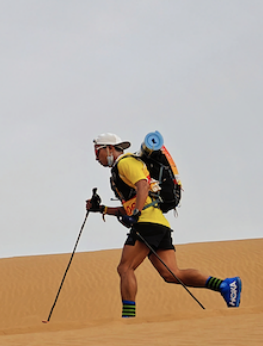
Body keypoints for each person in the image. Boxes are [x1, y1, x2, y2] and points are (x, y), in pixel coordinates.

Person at [86, 132, 241, 318]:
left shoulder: (125, 162)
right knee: (171, 274)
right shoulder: (120, 169)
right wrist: (101, 209)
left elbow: (142, 185)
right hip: (158, 223)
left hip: (146, 223)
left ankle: (128, 319)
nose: (96, 157)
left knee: (125, 268)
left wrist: (136, 215)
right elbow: (129, 206)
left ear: (109, 148)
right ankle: (225, 285)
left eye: (98, 151)